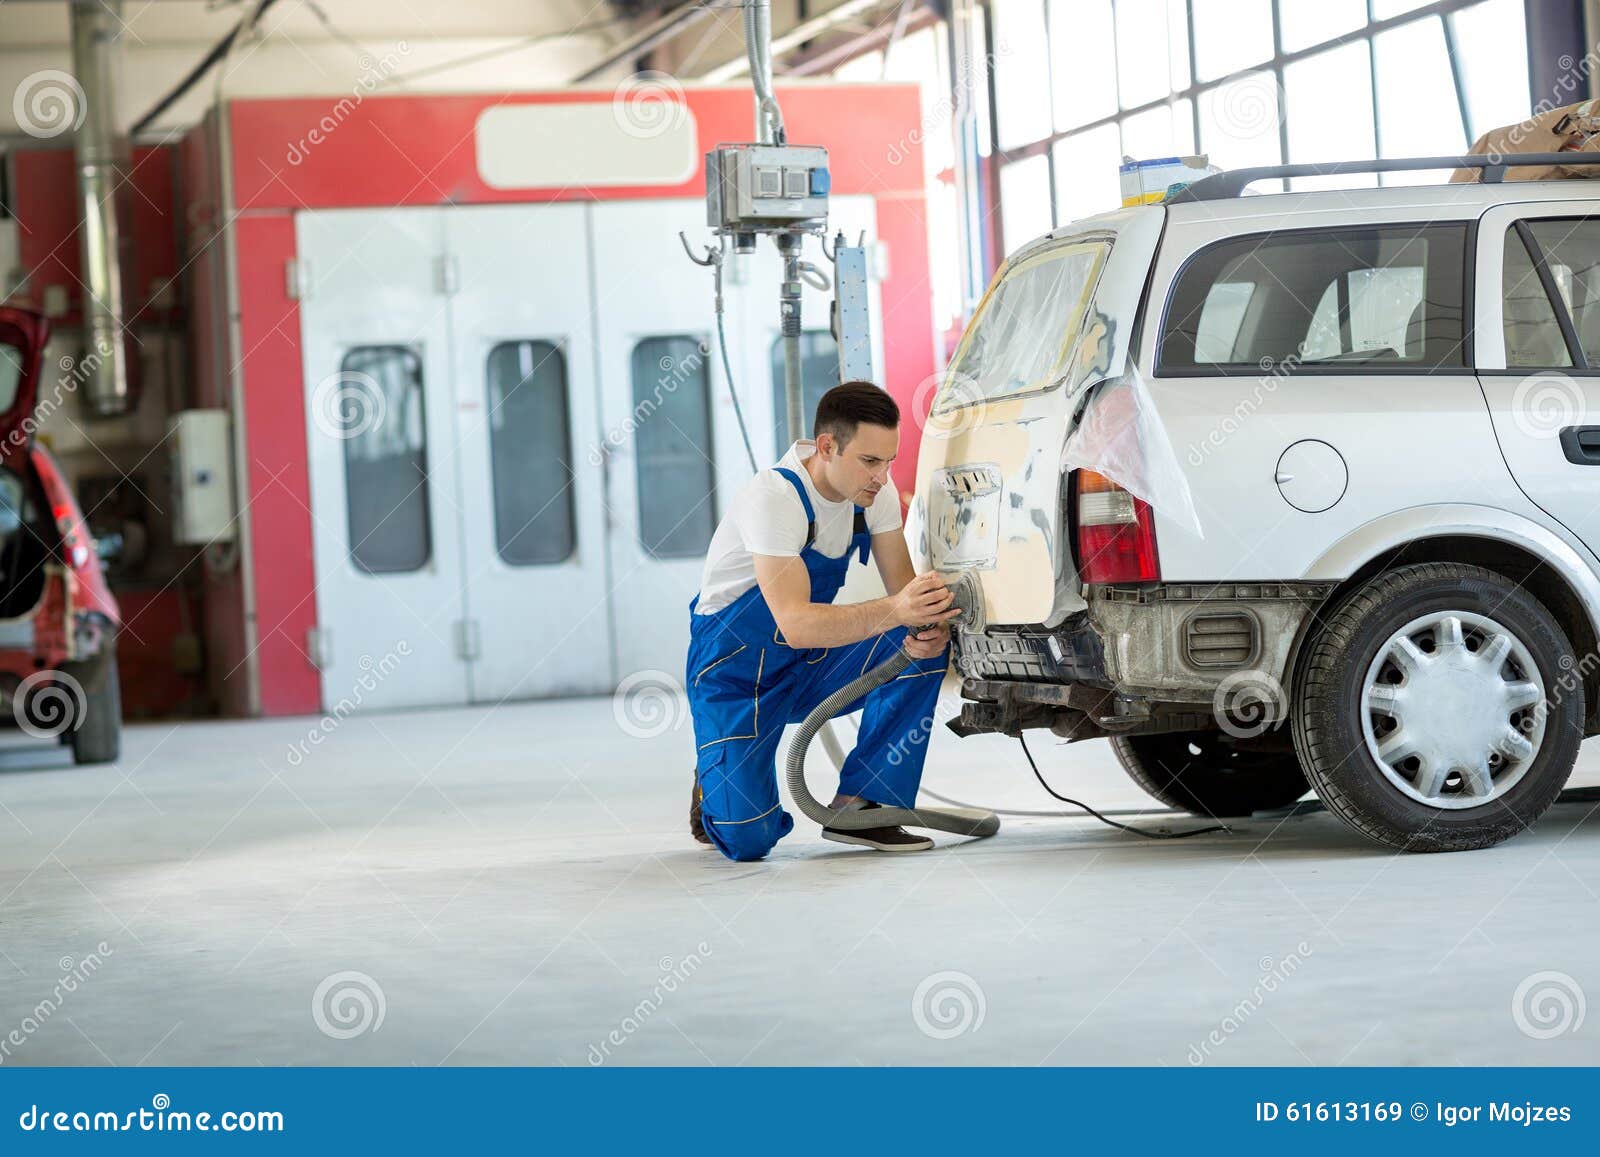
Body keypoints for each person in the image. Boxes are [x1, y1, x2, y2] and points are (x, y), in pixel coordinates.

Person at [685, 381, 959, 861]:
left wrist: (926, 627)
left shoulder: (872, 494)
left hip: (808, 663)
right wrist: (900, 610)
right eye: (869, 461)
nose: (882, 477)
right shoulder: (775, 497)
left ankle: (866, 805)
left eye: (889, 461)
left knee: (919, 645)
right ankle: (714, 779)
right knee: (748, 840)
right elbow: (795, 623)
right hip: (736, 676)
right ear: (828, 446)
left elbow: (904, 598)